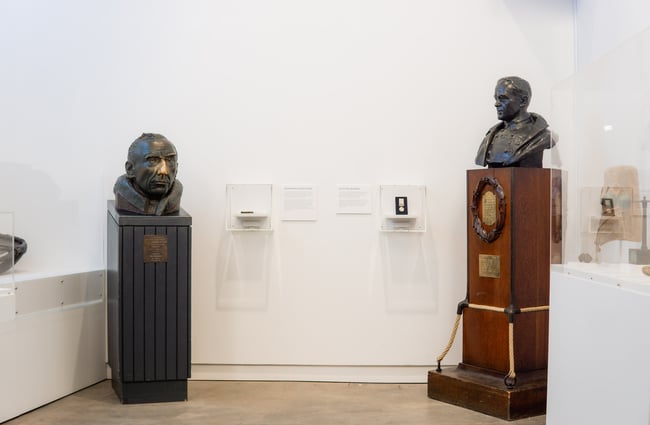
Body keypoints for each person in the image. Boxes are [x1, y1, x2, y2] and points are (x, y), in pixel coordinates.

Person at [475, 76, 556, 168]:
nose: (496, 104)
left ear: (523, 101)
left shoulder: (542, 136)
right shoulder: (491, 136)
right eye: (496, 98)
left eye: (503, 98)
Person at [114, 133, 183, 215]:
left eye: (170, 161)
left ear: (177, 168)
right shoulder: (123, 195)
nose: (164, 171)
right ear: (130, 169)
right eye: (153, 161)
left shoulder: (175, 195)